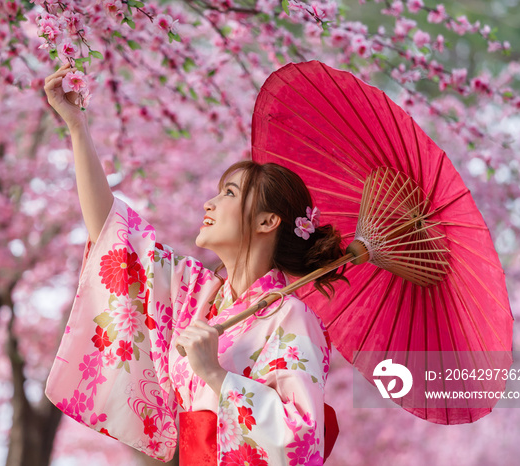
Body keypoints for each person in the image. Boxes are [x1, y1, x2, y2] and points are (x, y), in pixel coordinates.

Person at [43, 64, 346, 465]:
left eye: (229, 193)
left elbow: (301, 438)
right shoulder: (197, 295)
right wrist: (78, 127)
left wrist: (215, 374)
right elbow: (118, 240)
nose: (210, 203)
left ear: (267, 221)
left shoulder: (291, 317)